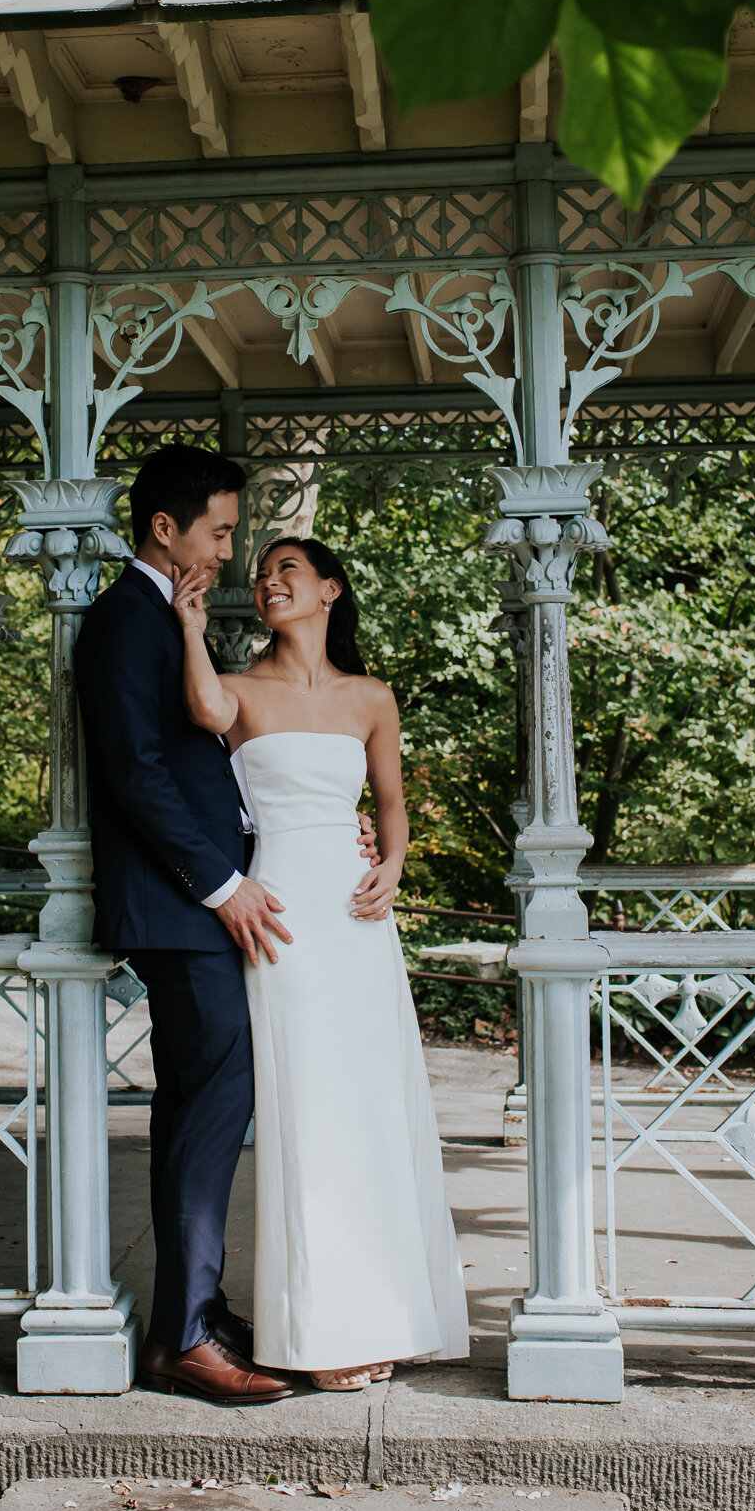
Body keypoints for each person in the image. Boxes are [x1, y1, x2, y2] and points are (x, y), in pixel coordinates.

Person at [74, 445, 374, 1406]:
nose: (232, 547)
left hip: (215, 900)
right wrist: (219, 885)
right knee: (205, 1115)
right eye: (222, 529)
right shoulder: (125, 619)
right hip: (183, 908)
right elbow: (136, 774)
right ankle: (183, 1336)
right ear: (168, 530)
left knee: (210, 1113)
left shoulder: (169, 620)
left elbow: (222, 768)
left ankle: (194, 1311)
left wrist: (327, 821)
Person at [172, 532, 469, 1390]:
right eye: (261, 574)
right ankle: (321, 1335)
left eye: (286, 571)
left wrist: (394, 866)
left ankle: (387, 1313)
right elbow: (202, 714)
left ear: (330, 590)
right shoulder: (238, 687)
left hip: (355, 916)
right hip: (282, 916)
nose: (268, 582)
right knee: (307, 1117)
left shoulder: (371, 696)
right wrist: (192, 625)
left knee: (371, 1109)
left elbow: (392, 803)